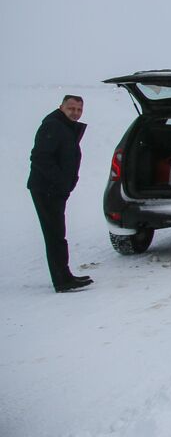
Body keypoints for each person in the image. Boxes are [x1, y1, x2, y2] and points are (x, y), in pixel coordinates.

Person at [28, 95, 92, 293]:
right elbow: (39, 156)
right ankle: (62, 280)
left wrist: (66, 184)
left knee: (57, 234)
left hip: (54, 189)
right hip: (46, 189)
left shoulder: (63, 126)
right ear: (61, 107)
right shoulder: (53, 126)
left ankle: (64, 276)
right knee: (55, 235)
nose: (75, 112)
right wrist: (61, 182)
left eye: (79, 109)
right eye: (71, 108)